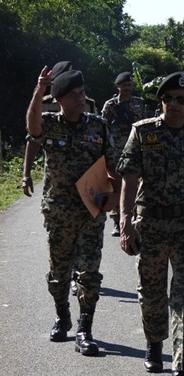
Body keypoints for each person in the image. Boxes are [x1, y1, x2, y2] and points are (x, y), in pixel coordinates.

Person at [117, 71, 184, 376]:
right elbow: (129, 178)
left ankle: (182, 366)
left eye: (180, 99)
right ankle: (154, 342)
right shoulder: (143, 132)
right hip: (151, 226)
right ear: (161, 101)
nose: (173, 104)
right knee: (151, 293)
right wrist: (125, 221)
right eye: (168, 99)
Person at [25, 65, 119, 356]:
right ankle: (62, 316)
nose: (81, 98)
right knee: (59, 273)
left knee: (89, 272)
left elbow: (113, 164)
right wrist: (39, 90)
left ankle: (84, 329)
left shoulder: (98, 126)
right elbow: (32, 129)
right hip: (59, 213)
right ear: (60, 99)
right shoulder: (49, 123)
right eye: (74, 95)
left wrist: (114, 195)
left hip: (91, 212)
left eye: (82, 93)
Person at [22, 60, 98, 297]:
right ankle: (66, 283)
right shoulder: (46, 105)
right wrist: (26, 173)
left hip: (88, 193)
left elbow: (98, 141)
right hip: (59, 197)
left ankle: (79, 278)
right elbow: (33, 138)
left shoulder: (89, 104)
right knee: (62, 251)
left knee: (86, 254)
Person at [101, 71, 147, 236]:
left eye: (129, 85)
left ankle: (133, 218)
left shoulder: (139, 103)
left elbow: (145, 125)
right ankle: (117, 221)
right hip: (117, 151)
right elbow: (103, 127)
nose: (127, 88)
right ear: (118, 87)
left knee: (136, 184)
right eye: (124, 85)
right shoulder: (110, 105)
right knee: (118, 185)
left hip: (136, 150)